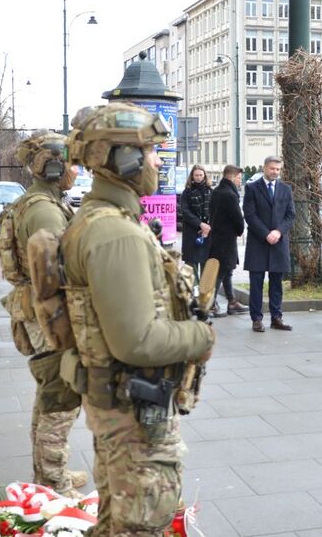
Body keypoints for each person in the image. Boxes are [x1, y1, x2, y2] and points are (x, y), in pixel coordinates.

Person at [61, 103, 216, 535]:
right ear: (121, 159)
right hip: (133, 414)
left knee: (116, 523)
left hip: (119, 406)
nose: (156, 161)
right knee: (140, 525)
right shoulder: (115, 233)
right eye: (150, 152)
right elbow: (137, 341)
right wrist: (200, 335)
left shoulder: (106, 221)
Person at [0, 131, 86, 497]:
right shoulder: (45, 210)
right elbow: (56, 275)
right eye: (71, 164)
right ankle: (54, 485)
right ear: (52, 166)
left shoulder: (41, 202)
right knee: (61, 399)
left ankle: (47, 473)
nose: (76, 172)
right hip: (51, 316)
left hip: (41, 311)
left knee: (51, 395)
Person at [243, 155, 296, 332]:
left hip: (278, 243)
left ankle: (276, 317)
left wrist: (278, 231)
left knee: (276, 284)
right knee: (256, 283)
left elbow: (290, 215)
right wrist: (266, 234)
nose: (275, 172)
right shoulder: (252, 188)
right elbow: (250, 215)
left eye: (278, 169)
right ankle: (256, 319)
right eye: (272, 168)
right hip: (258, 242)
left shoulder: (285, 189)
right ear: (265, 168)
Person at [207, 164, 247, 316]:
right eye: (239, 178)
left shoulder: (217, 191)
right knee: (221, 271)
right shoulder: (229, 194)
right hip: (226, 238)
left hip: (218, 236)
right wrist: (240, 230)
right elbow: (237, 217)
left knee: (226, 270)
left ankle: (232, 301)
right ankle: (210, 304)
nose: (240, 181)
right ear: (231, 176)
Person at [179, 165, 212, 280]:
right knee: (191, 266)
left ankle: (204, 295)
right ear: (192, 176)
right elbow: (185, 211)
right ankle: (193, 293)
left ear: (204, 176)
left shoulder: (210, 191)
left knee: (206, 265)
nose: (198, 177)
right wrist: (200, 224)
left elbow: (215, 211)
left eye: (201, 175)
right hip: (191, 233)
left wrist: (207, 226)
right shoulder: (187, 192)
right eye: (196, 175)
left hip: (207, 233)